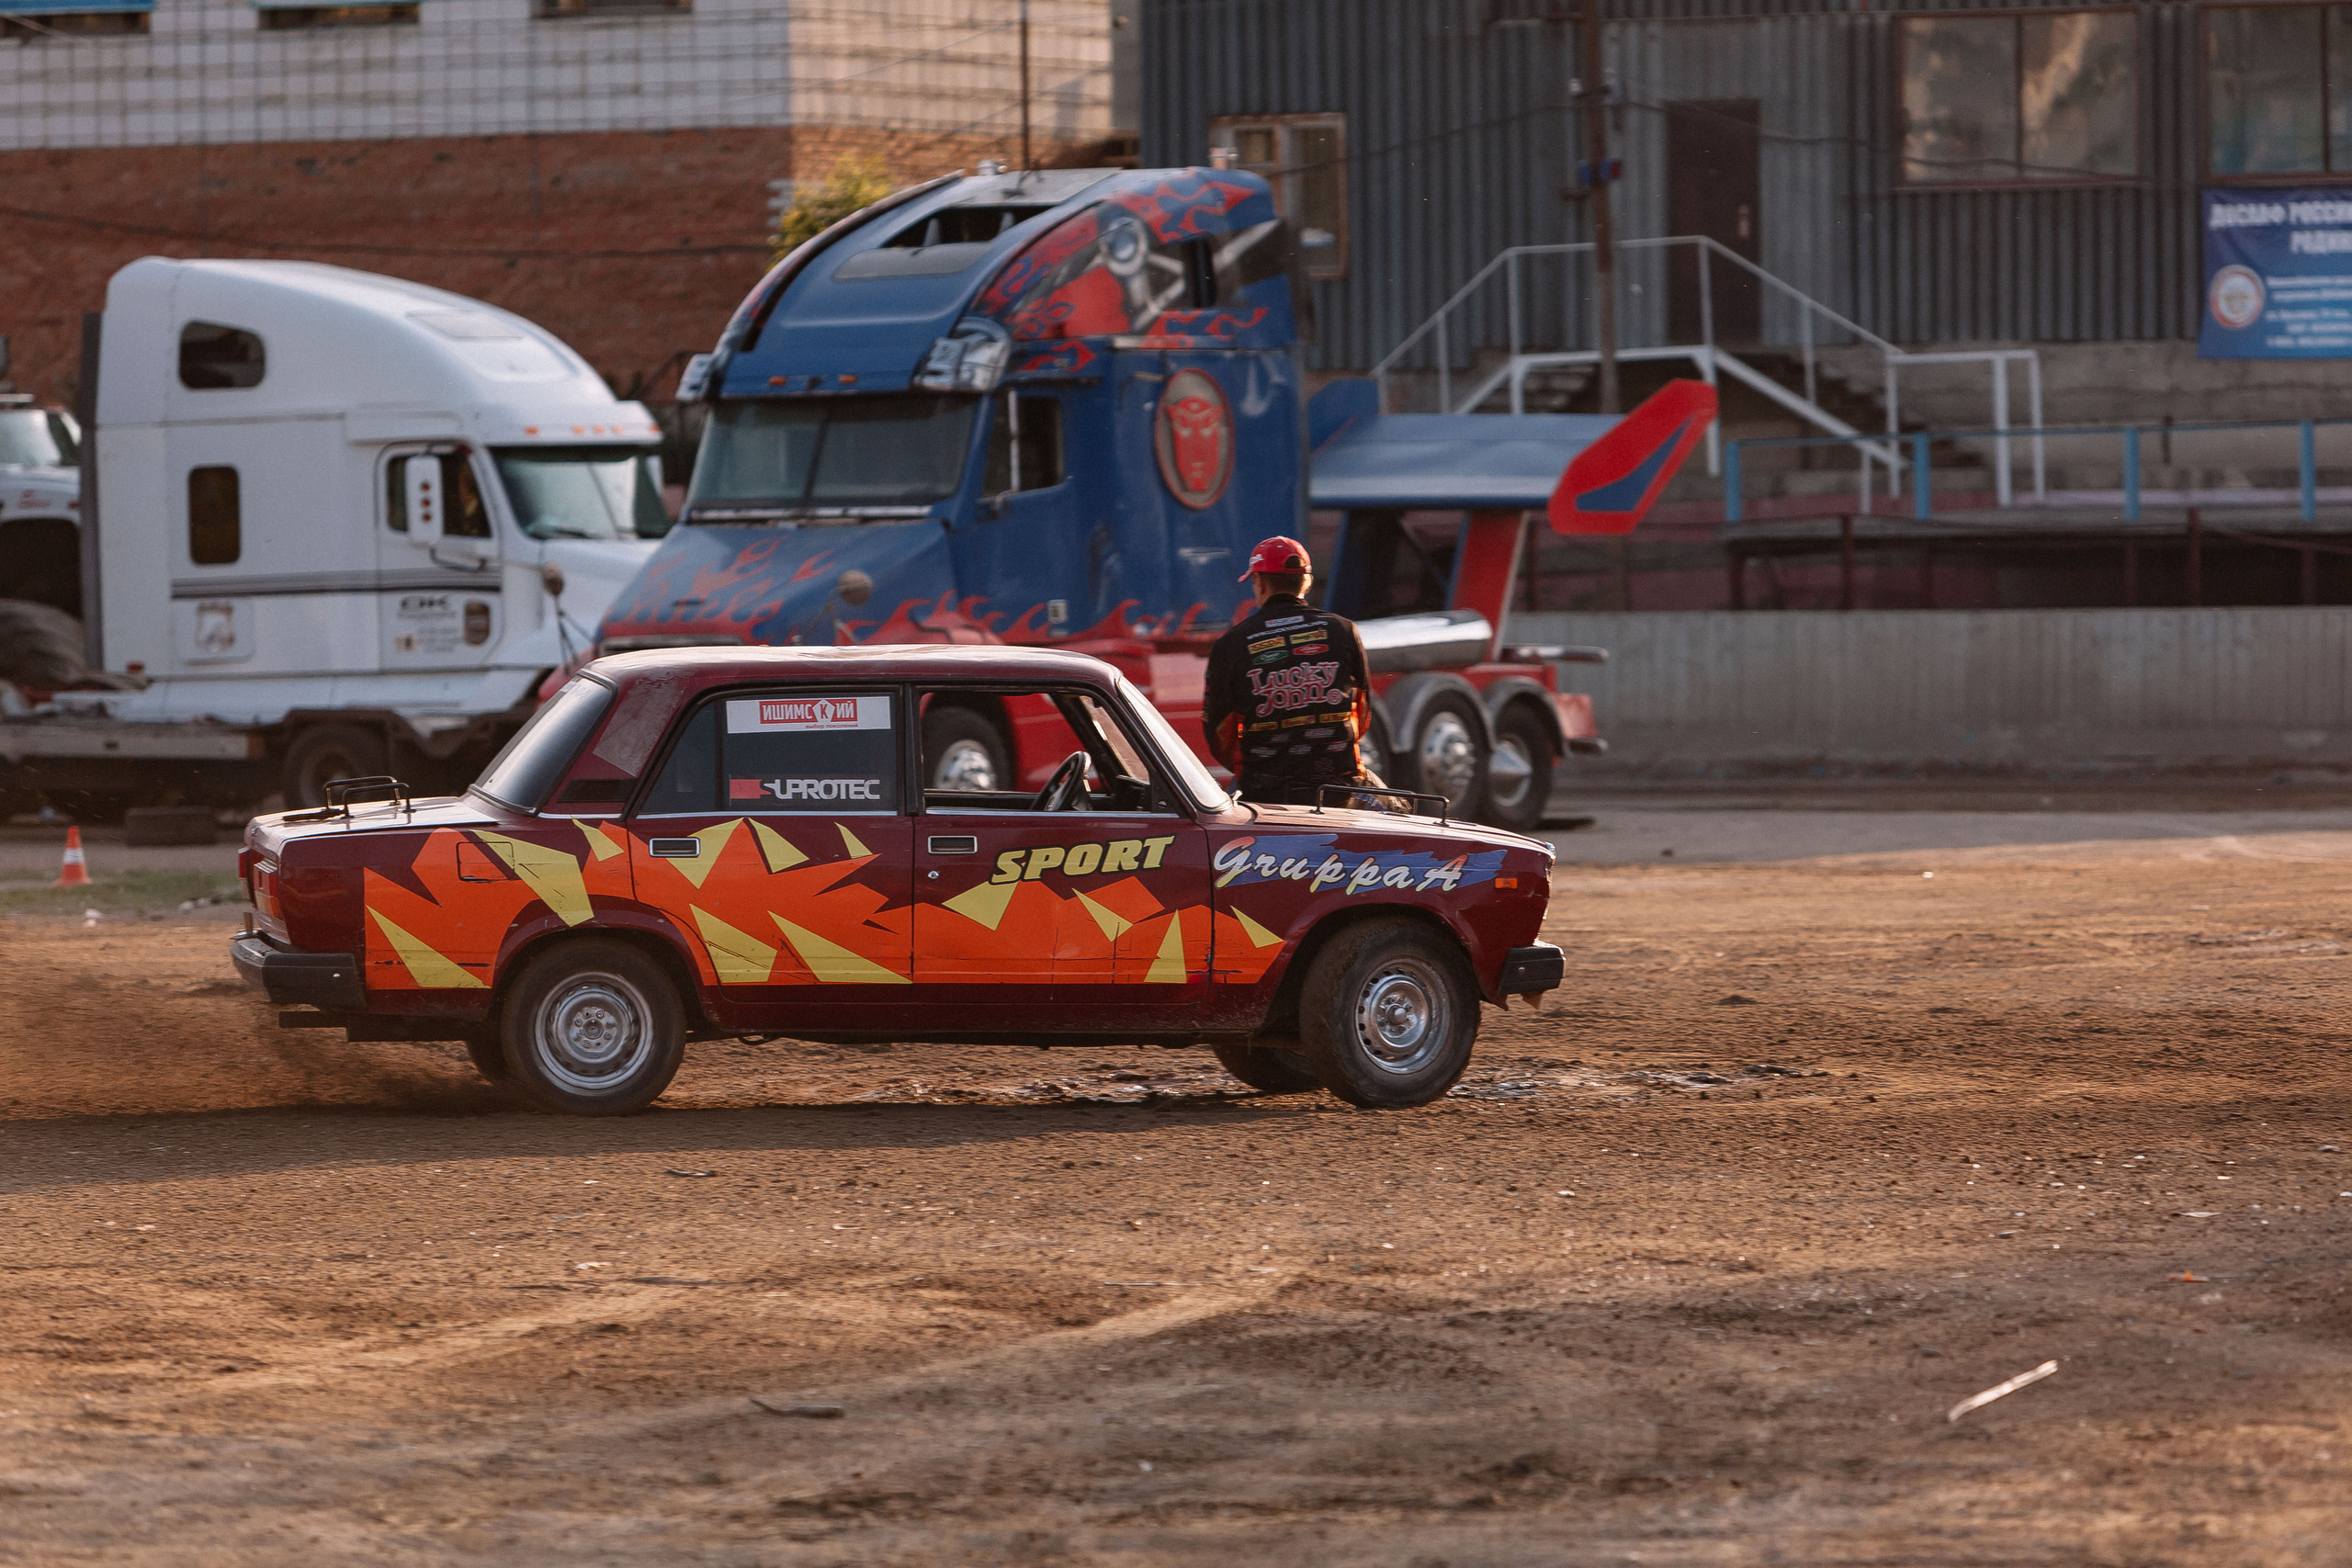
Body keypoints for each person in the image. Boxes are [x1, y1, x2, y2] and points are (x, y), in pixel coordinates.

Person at [1201, 536, 1386, 807]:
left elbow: (1218, 733)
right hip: (1340, 789)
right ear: (1307, 582)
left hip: (1264, 794)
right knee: (1402, 810)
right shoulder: (1343, 630)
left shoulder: (1231, 644)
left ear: (1260, 582)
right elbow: (1363, 709)